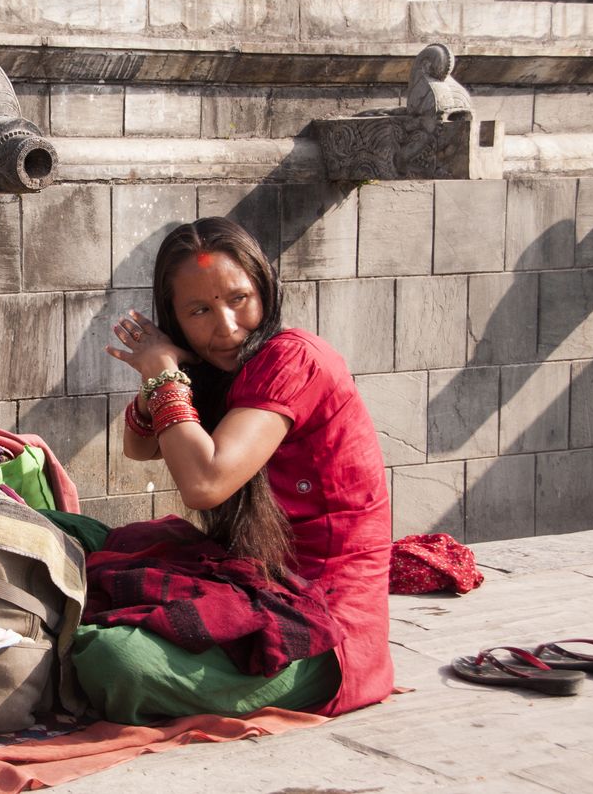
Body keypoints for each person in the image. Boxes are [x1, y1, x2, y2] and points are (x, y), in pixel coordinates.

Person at [76, 215, 393, 721]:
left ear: (265, 289)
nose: (225, 327)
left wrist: (161, 373)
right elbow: (140, 448)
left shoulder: (293, 360)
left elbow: (204, 484)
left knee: (118, 660)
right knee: (66, 534)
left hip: (320, 627)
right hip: (244, 579)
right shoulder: (219, 368)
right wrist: (172, 371)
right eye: (199, 310)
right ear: (176, 321)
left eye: (239, 299)